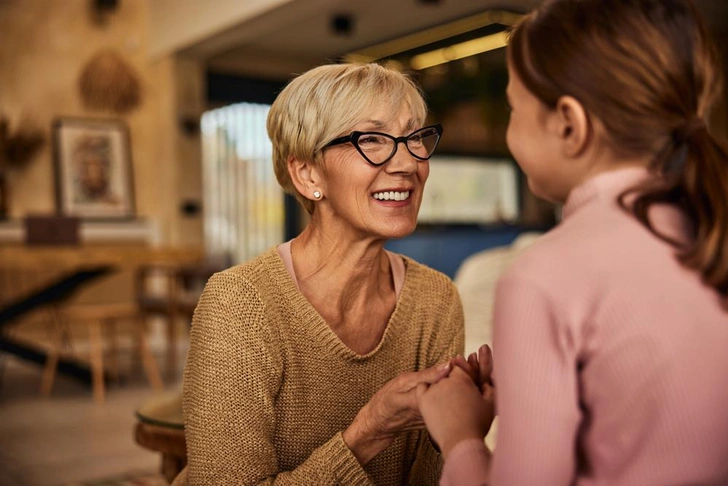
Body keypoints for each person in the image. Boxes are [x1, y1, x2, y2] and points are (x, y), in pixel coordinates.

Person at [417, 0, 728, 484]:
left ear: (569, 124)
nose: (510, 128)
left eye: (514, 108)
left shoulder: (542, 276)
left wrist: (461, 436)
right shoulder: (709, 234)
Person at [172, 62, 464, 485]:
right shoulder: (239, 304)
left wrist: (456, 432)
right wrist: (369, 432)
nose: (407, 164)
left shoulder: (436, 300)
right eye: (373, 139)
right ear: (307, 173)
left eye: (414, 137)